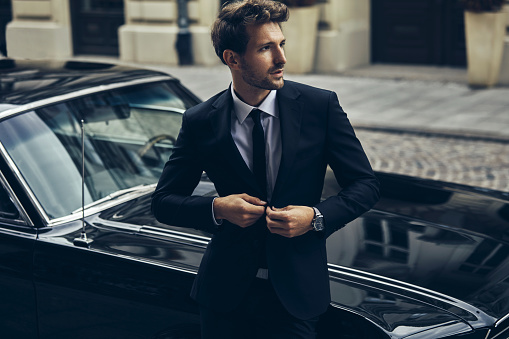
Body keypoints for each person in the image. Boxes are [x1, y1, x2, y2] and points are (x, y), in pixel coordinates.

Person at [152, 0, 379, 338]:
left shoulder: (320, 106)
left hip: (297, 295)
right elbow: (164, 201)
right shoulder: (201, 121)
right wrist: (218, 208)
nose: (282, 58)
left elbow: (365, 185)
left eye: (281, 44)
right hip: (224, 295)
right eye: (265, 48)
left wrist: (314, 217)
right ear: (232, 58)